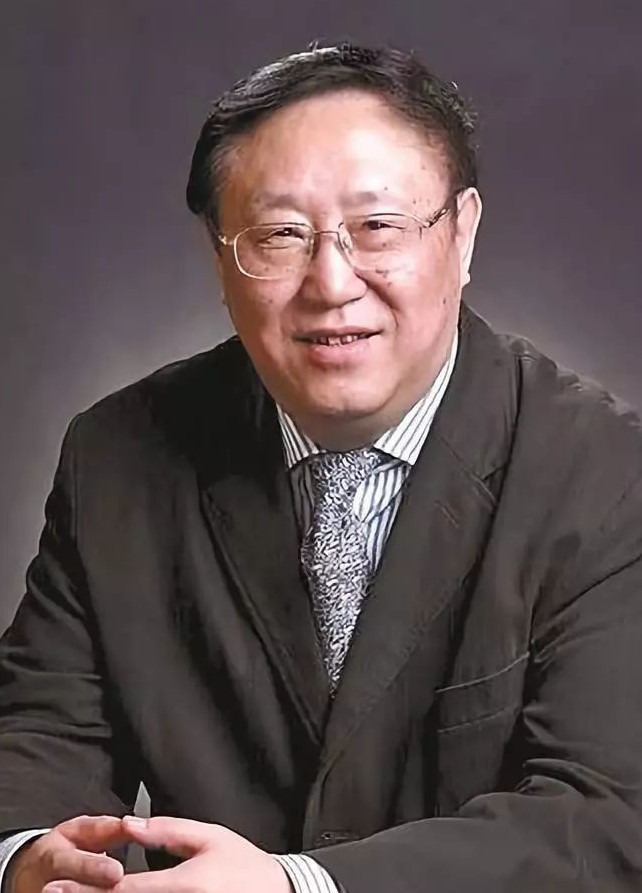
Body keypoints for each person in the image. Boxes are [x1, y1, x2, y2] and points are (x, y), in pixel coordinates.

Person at [1, 41, 641, 893]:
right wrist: (30, 856)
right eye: (280, 235)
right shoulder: (116, 457)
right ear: (220, 257)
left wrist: (296, 885)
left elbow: (606, 819)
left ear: (462, 233)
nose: (332, 282)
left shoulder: (605, 473)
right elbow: (40, 735)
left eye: (377, 227)